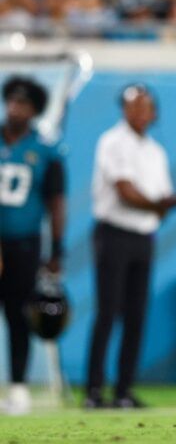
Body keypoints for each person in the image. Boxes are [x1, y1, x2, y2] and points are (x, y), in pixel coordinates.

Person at [85, 83, 176, 409]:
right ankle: (93, 391)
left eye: (144, 105)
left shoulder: (155, 152)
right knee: (107, 313)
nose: (138, 111)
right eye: (132, 105)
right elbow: (126, 192)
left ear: (153, 112)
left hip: (143, 238)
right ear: (123, 109)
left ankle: (123, 390)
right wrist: (163, 205)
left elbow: (158, 201)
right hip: (114, 234)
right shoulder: (112, 141)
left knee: (136, 315)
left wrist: (170, 203)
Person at [0, 75, 66, 415]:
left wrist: (57, 248)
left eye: (23, 103)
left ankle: (18, 387)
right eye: (12, 100)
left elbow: (56, 201)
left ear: (35, 110)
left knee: (18, 316)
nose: (15, 107)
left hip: (24, 244)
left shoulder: (44, 149)